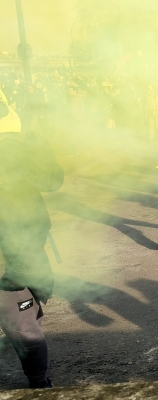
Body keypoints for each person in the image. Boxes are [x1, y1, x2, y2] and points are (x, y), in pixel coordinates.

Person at [0, 97, 63, 388]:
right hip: (18, 264)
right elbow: (52, 181)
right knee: (27, 328)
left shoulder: (18, 149)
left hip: (19, 262)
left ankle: (39, 382)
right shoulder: (20, 147)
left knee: (26, 325)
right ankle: (39, 384)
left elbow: (51, 180)